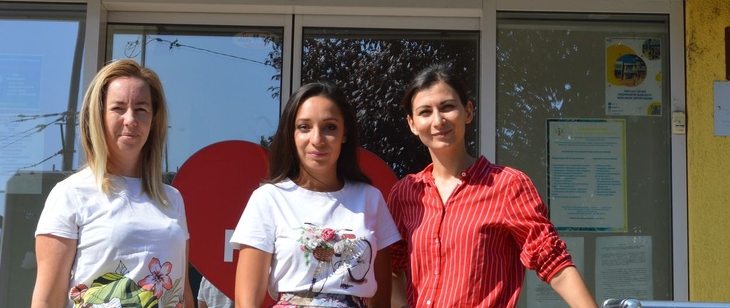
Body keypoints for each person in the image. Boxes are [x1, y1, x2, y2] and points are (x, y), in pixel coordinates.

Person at [388, 64, 598, 308]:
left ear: (467, 112)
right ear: (412, 124)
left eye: (447, 107)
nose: (438, 120)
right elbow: (392, 267)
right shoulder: (405, 193)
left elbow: (552, 261)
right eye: (425, 112)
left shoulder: (508, 185)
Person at [32, 59, 190, 308]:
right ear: (98, 116)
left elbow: (184, 293)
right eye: (118, 108)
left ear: (153, 119)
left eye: (141, 109)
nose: (131, 119)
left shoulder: (172, 199)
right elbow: (47, 299)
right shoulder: (70, 194)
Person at [231, 82, 401, 308]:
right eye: (304, 127)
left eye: (330, 127)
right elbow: (247, 301)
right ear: (291, 135)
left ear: (344, 134)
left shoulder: (370, 198)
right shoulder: (268, 198)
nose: (317, 139)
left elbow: (382, 293)